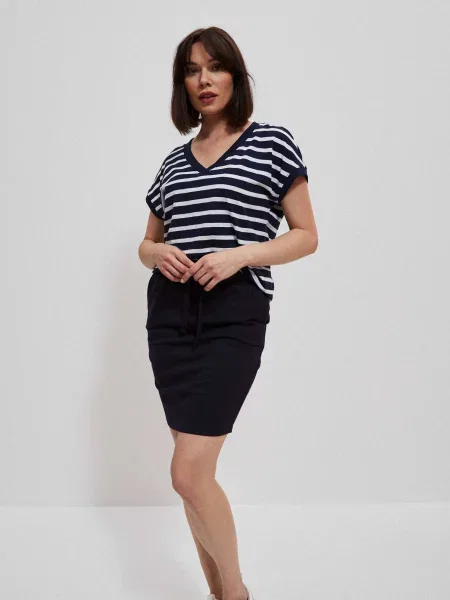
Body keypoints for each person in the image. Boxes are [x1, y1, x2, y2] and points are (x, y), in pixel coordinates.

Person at [138, 26, 318, 600]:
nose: (204, 79)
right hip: (170, 317)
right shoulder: (173, 163)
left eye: (215, 67)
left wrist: (241, 255)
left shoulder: (271, 143)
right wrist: (157, 254)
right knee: (192, 479)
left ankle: (236, 594)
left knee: (187, 473)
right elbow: (146, 243)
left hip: (233, 316)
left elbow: (306, 236)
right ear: (182, 84)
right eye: (192, 70)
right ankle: (220, 596)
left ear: (236, 76)